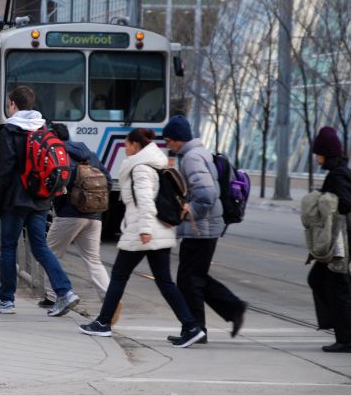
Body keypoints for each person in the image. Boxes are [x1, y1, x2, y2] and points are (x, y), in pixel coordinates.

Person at [78, 129, 206, 348]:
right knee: (165, 282)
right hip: (157, 232)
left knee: (118, 276)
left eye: (127, 144)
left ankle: (103, 323)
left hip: (143, 232)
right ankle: (191, 327)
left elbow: (146, 202)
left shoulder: (140, 169)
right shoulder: (155, 164)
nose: (125, 148)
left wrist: (145, 230)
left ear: (136, 146)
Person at [0, 86, 79, 317]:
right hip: (41, 199)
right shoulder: (43, 128)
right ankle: (65, 292)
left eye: (8, 103)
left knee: (8, 248)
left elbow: (3, 171)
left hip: (16, 201)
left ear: (13, 104)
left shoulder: (10, 131)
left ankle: (6, 300)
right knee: (40, 247)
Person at [162, 115, 247, 344]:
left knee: (188, 279)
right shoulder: (199, 153)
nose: (167, 145)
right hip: (205, 227)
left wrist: (190, 211)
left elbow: (207, 194)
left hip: (202, 227)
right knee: (194, 277)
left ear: (178, 139)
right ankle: (202, 326)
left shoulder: (191, 158)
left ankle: (201, 325)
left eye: (169, 140)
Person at [40, 123, 117, 318]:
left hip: (69, 214)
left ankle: (54, 296)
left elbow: (57, 183)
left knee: (49, 253)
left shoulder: (59, 154)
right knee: (93, 260)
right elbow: (107, 181)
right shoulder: (90, 154)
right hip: (95, 216)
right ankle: (110, 299)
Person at [307, 126, 350, 353]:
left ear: (327, 154)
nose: (317, 158)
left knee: (338, 287)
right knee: (319, 280)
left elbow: (344, 203)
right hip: (336, 240)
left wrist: (321, 199)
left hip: (338, 241)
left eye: (319, 154)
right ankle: (338, 326)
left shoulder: (338, 174)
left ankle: (345, 337)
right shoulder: (337, 172)